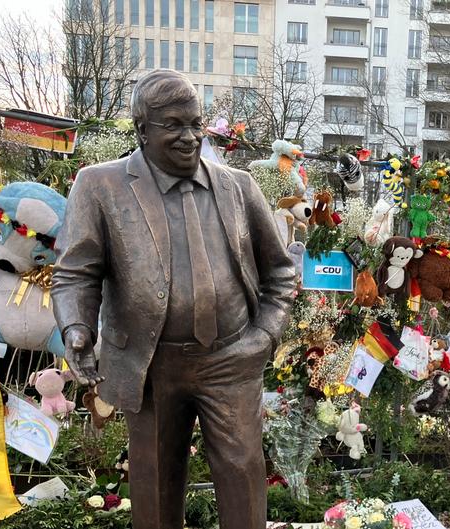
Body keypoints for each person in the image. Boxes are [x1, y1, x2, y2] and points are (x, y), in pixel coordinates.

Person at [51, 69, 296, 529]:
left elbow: (281, 270)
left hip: (231, 357)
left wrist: (264, 335)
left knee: (244, 475)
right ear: (143, 129)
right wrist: (77, 327)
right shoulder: (99, 185)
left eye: (196, 124)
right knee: (155, 487)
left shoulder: (238, 186)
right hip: (150, 364)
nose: (190, 137)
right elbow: (75, 271)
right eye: (174, 125)